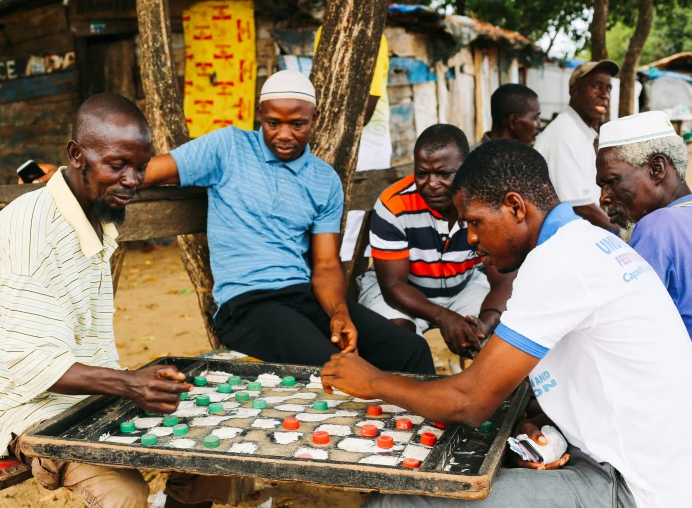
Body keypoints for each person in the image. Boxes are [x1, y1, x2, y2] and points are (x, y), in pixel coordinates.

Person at [321, 139, 692, 508]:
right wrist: (539, 422)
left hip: (639, 491)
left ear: (515, 206)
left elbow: (471, 400)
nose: (471, 238)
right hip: (645, 462)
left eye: (475, 222)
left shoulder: (559, 261)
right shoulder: (584, 241)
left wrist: (373, 382)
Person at [0, 94, 192, 508]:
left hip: (81, 393)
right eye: (117, 165)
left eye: (140, 166)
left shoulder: (96, 212)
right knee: (123, 497)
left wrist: (131, 384)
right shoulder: (32, 228)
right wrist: (130, 385)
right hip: (13, 406)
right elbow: (35, 366)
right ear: (77, 155)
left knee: (202, 448)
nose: (132, 179)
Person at [141, 70, 434, 374]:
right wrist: (101, 174)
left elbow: (325, 265)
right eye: (273, 123)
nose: (283, 134)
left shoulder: (323, 180)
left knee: (410, 351)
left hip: (305, 297)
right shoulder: (228, 148)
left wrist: (339, 312)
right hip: (247, 306)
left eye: (297, 124)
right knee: (338, 369)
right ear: (259, 114)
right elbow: (150, 171)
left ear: (315, 117)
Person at [358, 124, 514, 358]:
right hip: (401, 292)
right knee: (399, 339)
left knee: (504, 331)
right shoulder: (394, 204)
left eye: (444, 174)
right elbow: (393, 286)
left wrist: (484, 325)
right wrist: (444, 317)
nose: (431, 184)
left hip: (464, 287)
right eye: (422, 173)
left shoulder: (487, 203)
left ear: (466, 168)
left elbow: (503, 281)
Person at [597, 110, 692, 338]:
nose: (604, 198)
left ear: (656, 169)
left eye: (611, 181)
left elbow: (626, 331)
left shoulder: (657, 226)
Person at [314, 25, 392, 263]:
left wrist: (337, 129)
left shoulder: (372, 33)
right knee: (332, 215)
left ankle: (350, 285)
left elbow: (368, 105)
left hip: (367, 136)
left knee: (357, 217)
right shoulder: (324, 31)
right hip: (332, 133)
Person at [535, 60, 620, 233]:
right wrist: (621, 234)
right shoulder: (564, 133)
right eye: (596, 86)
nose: (605, 95)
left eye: (608, 88)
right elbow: (580, 206)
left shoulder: (581, 131)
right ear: (574, 90)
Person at [475, 83, 541, 147]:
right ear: (513, 121)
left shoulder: (525, 155)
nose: (539, 126)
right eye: (535, 118)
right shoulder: (473, 157)